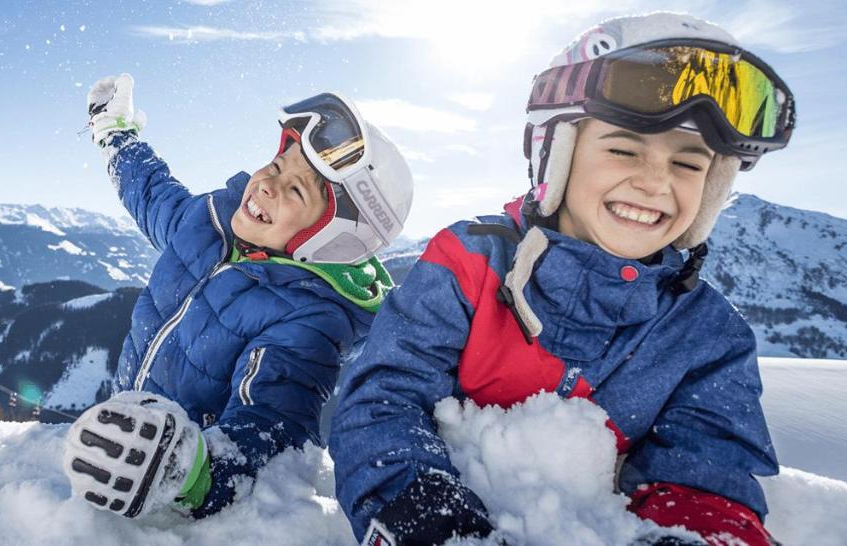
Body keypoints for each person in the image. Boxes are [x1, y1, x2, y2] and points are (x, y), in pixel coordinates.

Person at [330, 12, 796, 546]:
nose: (654, 182)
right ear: (559, 154)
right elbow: (383, 398)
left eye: (689, 165)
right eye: (623, 148)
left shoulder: (707, 334)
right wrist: (423, 514)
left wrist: (699, 534)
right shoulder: (469, 265)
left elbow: (710, 466)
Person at [62, 74, 415, 520]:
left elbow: (270, 426)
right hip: (126, 433)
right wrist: (113, 133)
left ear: (331, 239)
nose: (268, 182)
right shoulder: (207, 224)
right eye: (278, 165)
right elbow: (148, 190)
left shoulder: (309, 319)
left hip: (166, 477)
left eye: (296, 190)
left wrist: (187, 470)